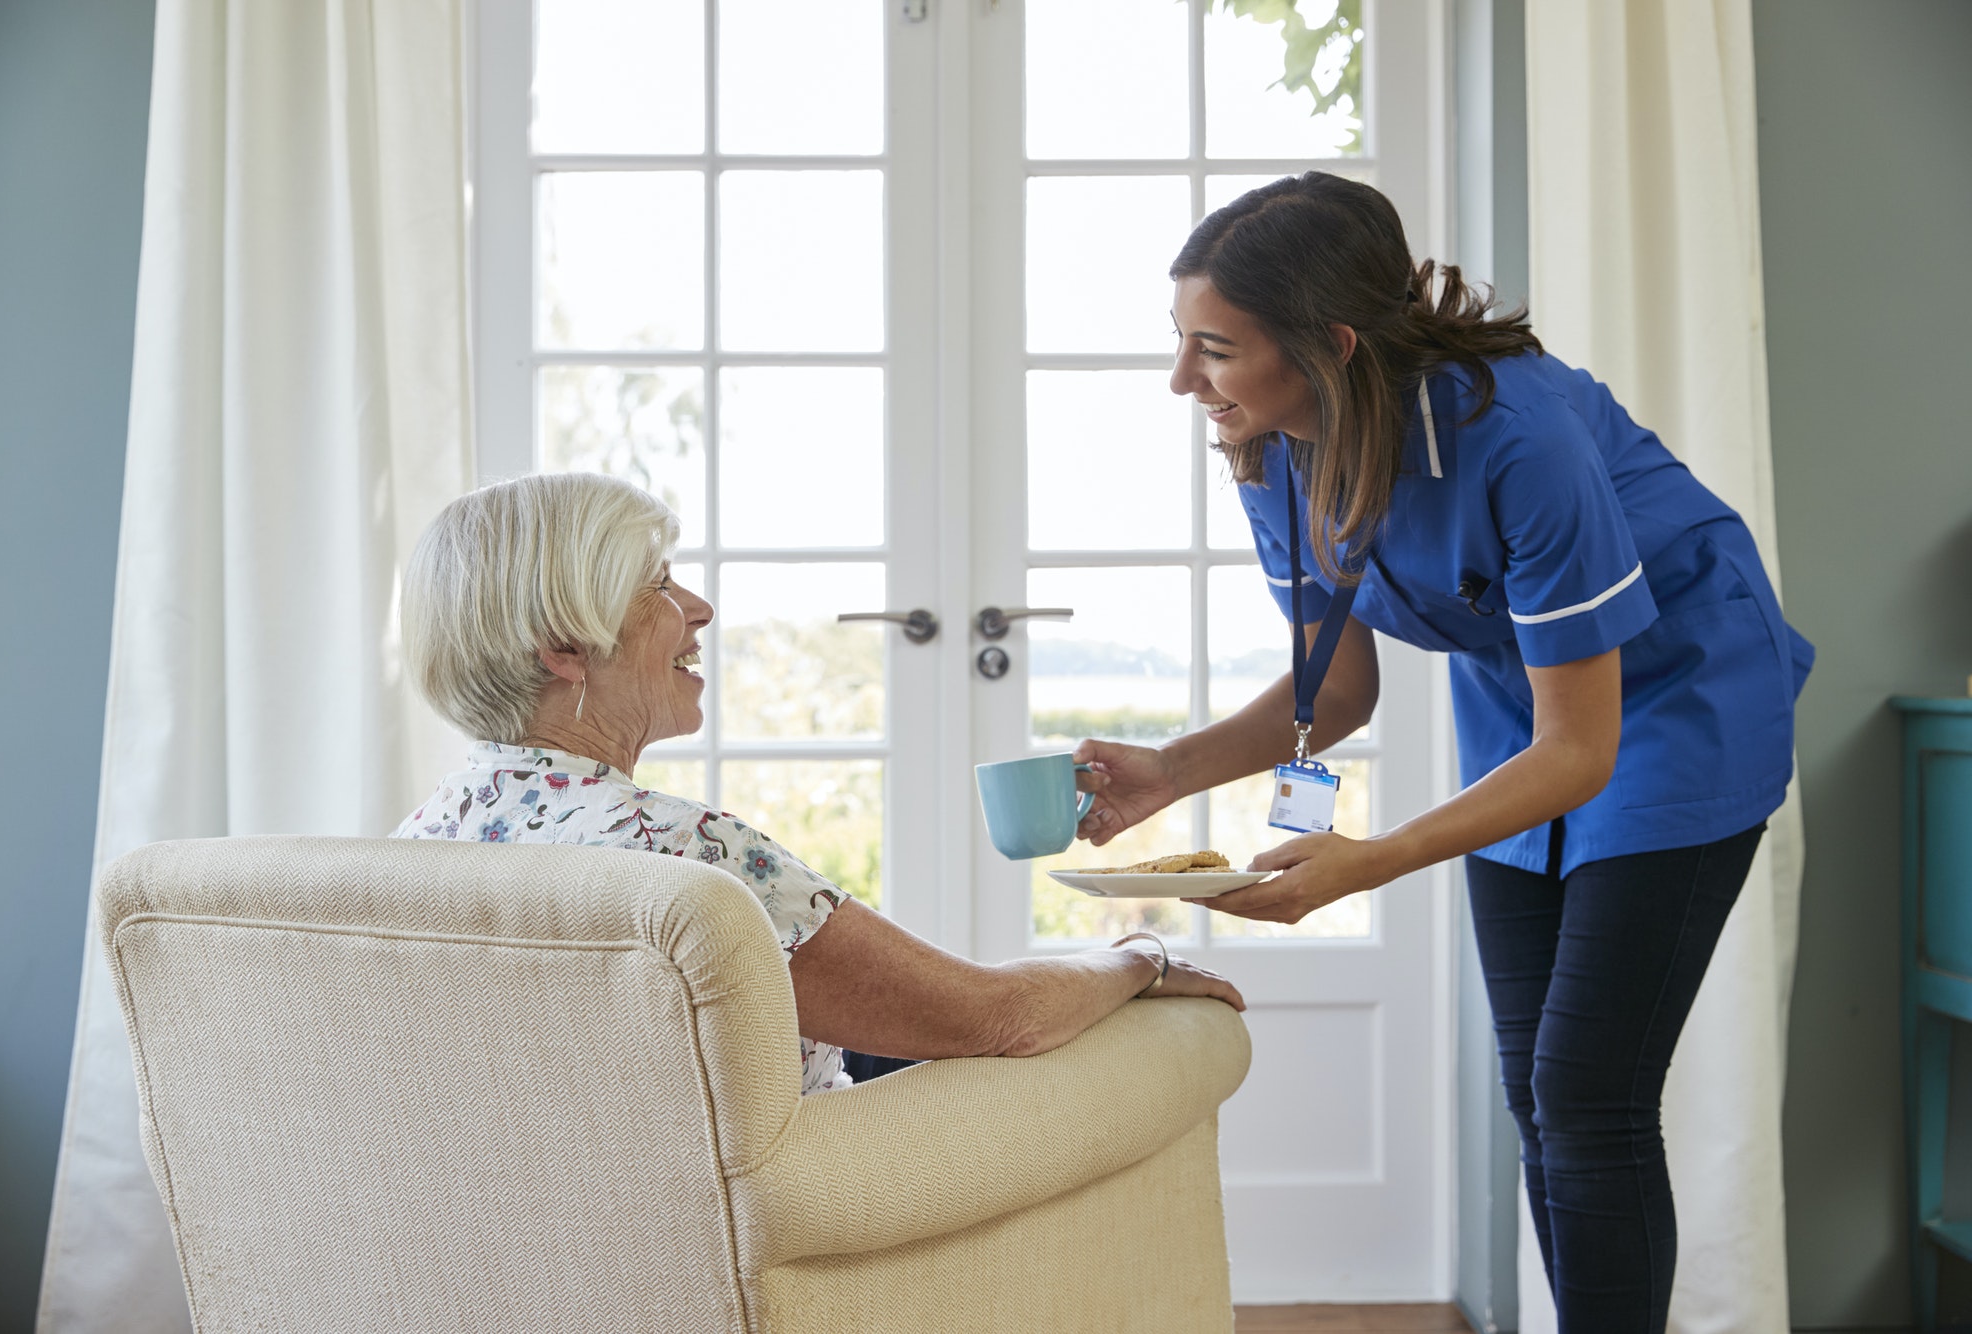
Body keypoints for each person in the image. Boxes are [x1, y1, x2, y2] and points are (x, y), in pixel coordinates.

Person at [1075, 172, 1810, 1332]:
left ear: (1328, 343)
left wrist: (1368, 859)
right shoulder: (1275, 448)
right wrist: (1169, 770)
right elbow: (1339, 687)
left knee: (1588, 1089)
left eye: (1212, 347)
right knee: (1538, 1091)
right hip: (1530, 704)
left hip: (1677, 695)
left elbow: (1585, 748)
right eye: (1182, 345)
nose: (1182, 381)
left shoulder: (1514, 435)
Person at [392, 472, 1243, 1096]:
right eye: (655, 585)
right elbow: (998, 1017)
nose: (698, 608)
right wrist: (1140, 956)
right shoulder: (685, 858)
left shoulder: (412, 848)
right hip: (782, 1223)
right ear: (564, 646)